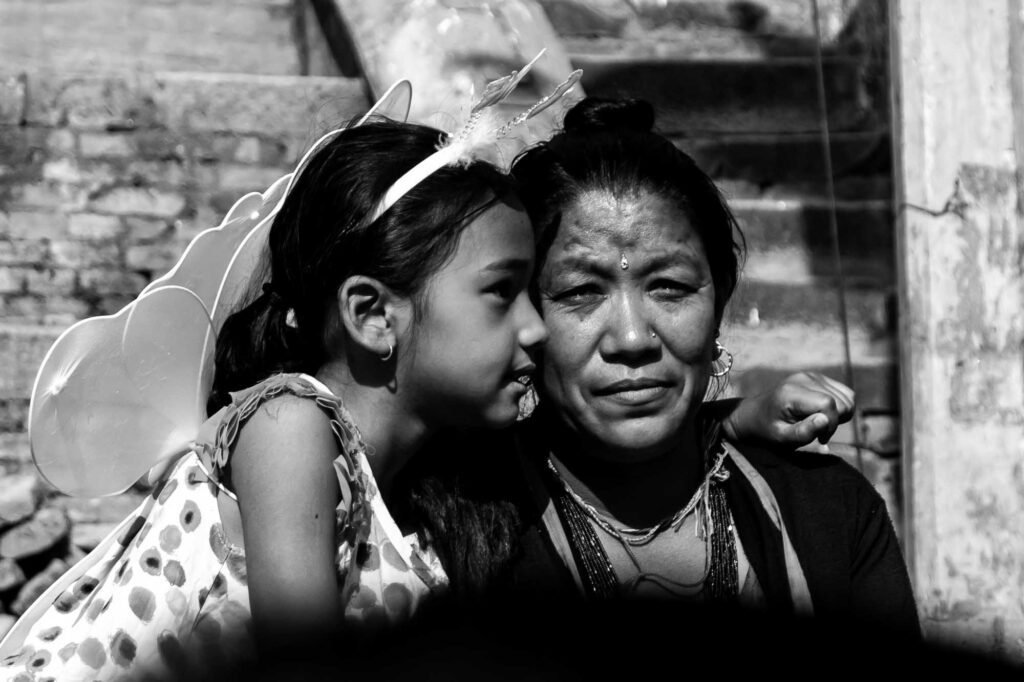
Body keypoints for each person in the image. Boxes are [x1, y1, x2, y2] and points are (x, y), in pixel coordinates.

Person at [0, 79, 853, 680]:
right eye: (503, 294)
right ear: (375, 315)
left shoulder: (422, 489)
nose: (535, 327)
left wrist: (729, 422)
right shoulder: (290, 429)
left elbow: (598, 439)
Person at [394, 97, 919, 643]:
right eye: (580, 292)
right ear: (525, 317)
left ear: (719, 307)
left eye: (669, 287)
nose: (632, 339)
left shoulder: (828, 515)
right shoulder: (452, 522)